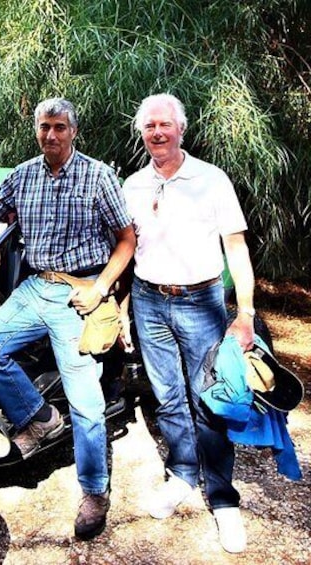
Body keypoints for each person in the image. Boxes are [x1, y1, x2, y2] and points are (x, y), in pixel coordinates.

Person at [0, 97, 135, 541]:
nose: (51, 135)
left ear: (73, 132)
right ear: (37, 130)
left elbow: (126, 240)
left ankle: (95, 491)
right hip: (36, 287)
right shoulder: (24, 174)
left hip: (80, 292)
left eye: (60, 127)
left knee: (86, 402)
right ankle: (39, 418)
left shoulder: (98, 176)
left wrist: (101, 289)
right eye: (45, 127)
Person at [121, 93, 256, 554]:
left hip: (201, 301)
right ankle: (182, 473)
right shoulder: (133, 185)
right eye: (149, 127)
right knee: (167, 397)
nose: (157, 133)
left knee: (209, 399)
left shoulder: (211, 179)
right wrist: (122, 307)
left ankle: (222, 498)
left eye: (164, 125)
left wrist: (246, 313)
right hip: (148, 301)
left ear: (181, 129)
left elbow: (235, 247)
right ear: (142, 134)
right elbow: (126, 248)